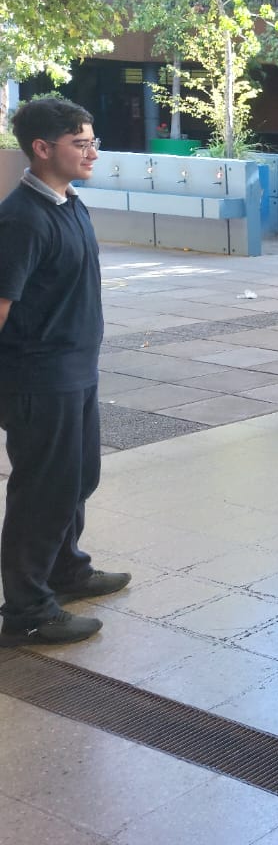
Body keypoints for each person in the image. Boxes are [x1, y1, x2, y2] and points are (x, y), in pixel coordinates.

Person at [0, 98, 129, 646]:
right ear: (42, 148)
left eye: (92, 141)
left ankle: (65, 570)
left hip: (76, 369)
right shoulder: (21, 219)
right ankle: (26, 610)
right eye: (81, 143)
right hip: (39, 378)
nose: (92, 152)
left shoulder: (69, 204)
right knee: (43, 492)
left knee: (78, 479)